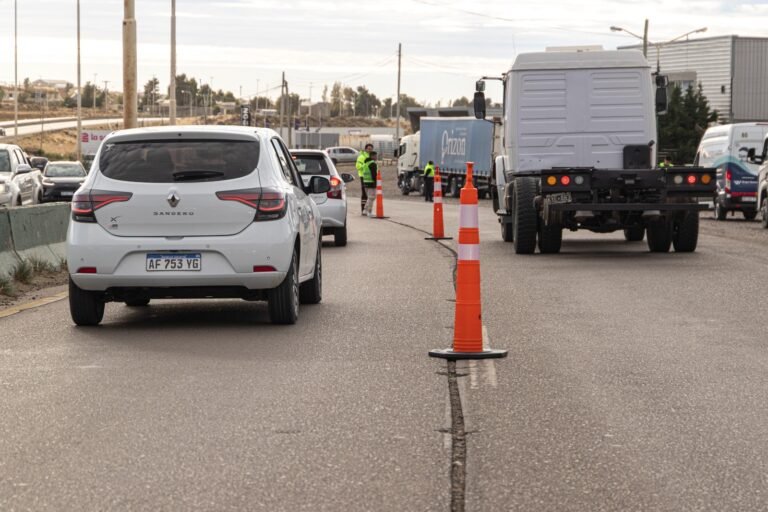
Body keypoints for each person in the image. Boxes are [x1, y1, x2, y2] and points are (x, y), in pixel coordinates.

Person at [356, 143, 373, 215]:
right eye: (368, 149)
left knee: (370, 194)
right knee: (364, 193)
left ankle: (368, 209)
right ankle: (363, 209)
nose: (370, 150)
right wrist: (366, 166)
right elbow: (358, 166)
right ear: (365, 149)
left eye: (371, 149)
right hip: (363, 176)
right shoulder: (361, 157)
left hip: (370, 177)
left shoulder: (371, 156)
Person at [363, 151, 378, 217]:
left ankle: (365, 210)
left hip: (366, 182)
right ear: (372, 156)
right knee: (371, 197)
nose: (376, 157)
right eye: (375, 156)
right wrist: (376, 182)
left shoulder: (366, 163)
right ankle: (369, 211)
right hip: (371, 182)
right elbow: (374, 174)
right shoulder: (372, 164)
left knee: (369, 197)